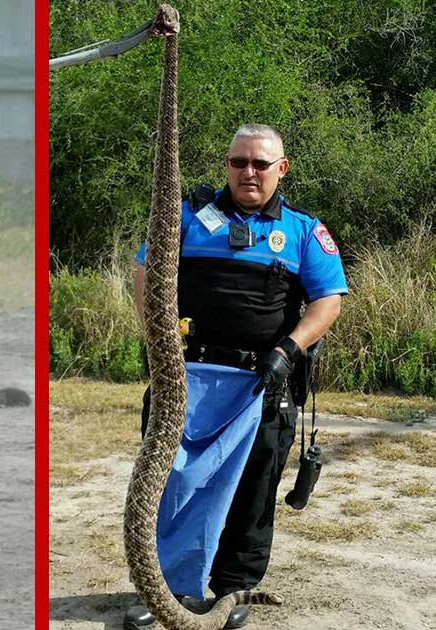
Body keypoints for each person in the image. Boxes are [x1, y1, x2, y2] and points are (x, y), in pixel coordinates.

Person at [124, 123, 348, 629]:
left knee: (253, 490)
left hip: (261, 383)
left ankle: (234, 589)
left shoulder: (302, 231)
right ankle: (166, 590)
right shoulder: (186, 217)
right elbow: (145, 273)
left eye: (260, 164)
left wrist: (288, 350)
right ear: (227, 165)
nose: (248, 172)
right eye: (238, 162)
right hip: (186, 378)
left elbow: (328, 299)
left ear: (281, 169)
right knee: (171, 483)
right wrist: (158, 341)